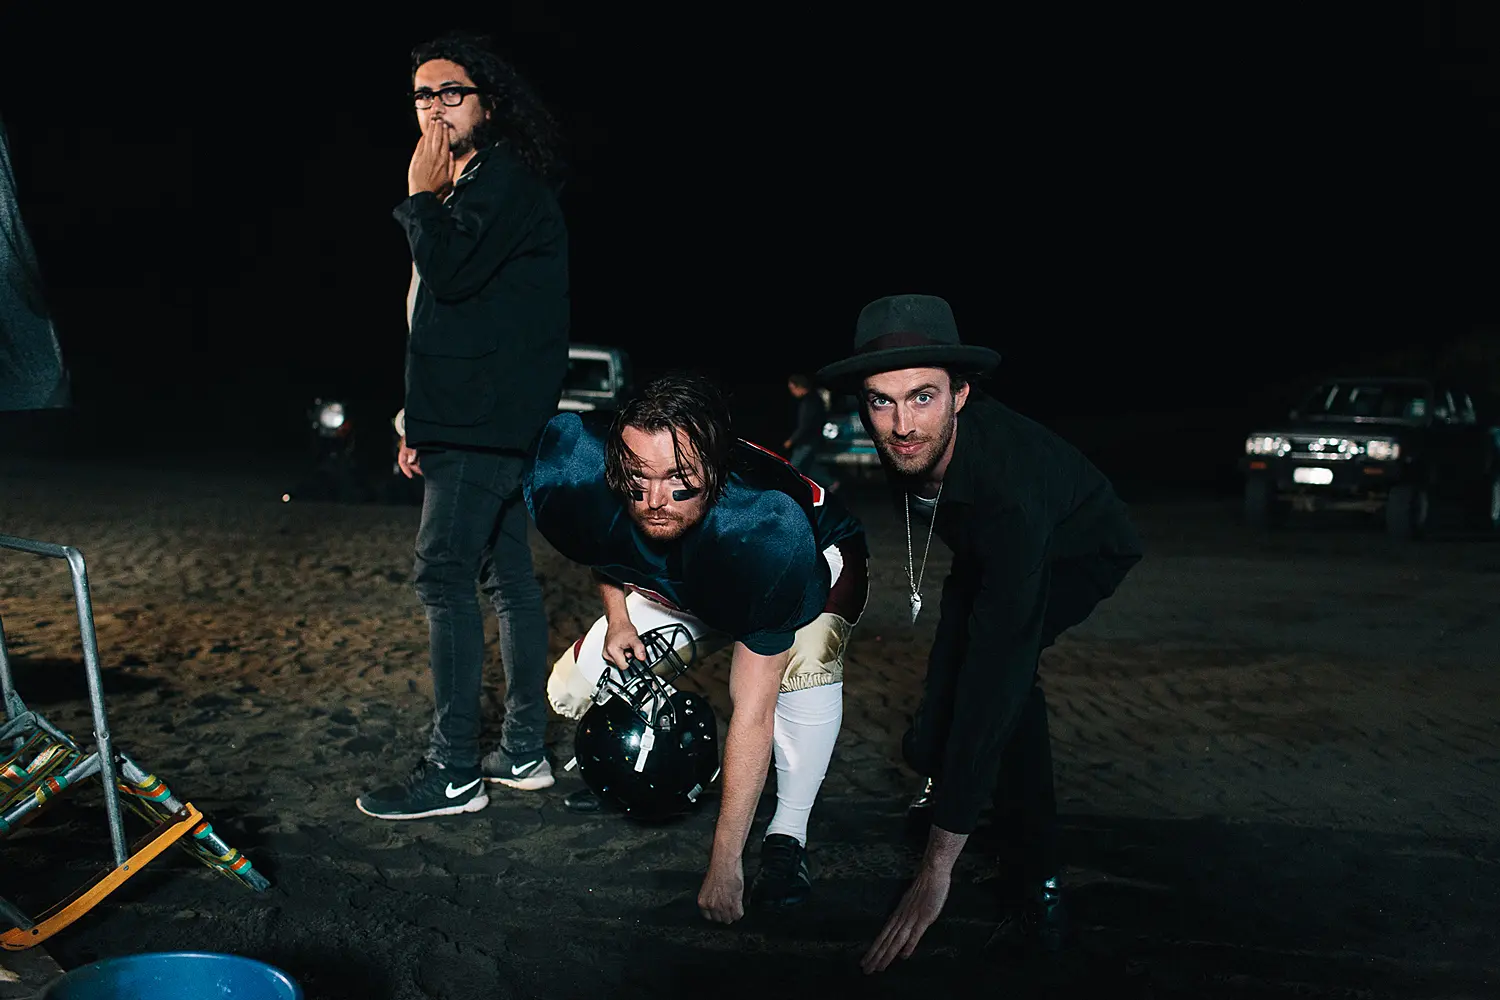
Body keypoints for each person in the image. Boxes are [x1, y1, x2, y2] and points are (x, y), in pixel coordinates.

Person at [812, 294, 1143, 974]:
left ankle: (1040, 885)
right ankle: (941, 764)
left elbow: (994, 673)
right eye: (881, 402)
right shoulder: (910, 439)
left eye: (923, 397)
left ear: (961, 394)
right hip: (985, 542)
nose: (903, 425)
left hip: (1077, 549)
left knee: (1005, 690)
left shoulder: (1009, 489)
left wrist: (937, 866)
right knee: (955, 654)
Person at [525, 372, 868, 922]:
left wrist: (724, 863)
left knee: (804, 668)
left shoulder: (760, 532)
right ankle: (644, 771)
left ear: (715, 470)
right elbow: (598, 539)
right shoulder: (604, 471)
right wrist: (617, 619)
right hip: (692, 570)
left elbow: (752, 712)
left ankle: (788, 835)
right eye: (637, 480)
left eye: (678, 481)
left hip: (805, 560)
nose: (654, 501)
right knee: (575, 683)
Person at [356, 32, 569, 821]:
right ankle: (522, 753)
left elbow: (446, 277)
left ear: (490, 102)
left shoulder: (502, 180)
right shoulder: (474, 186)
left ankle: (453, 772)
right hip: (473, 418)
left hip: (483, 423)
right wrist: (415, 418)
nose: (435, 109)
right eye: (422, 95)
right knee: (506, 580)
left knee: (442, 576)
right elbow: (437, 317)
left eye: (452, 92)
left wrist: (418, 197)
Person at [782, 373, 836, 490]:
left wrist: (791, 440)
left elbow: (805, 425)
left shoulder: (809, 402)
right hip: (810, 439)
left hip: (808, 440)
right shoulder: (812, 399)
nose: (792, 392)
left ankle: (794, 490)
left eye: (792, 388)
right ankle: (832, 484)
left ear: (799, 387)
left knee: (794, 466)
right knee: (810, 467)